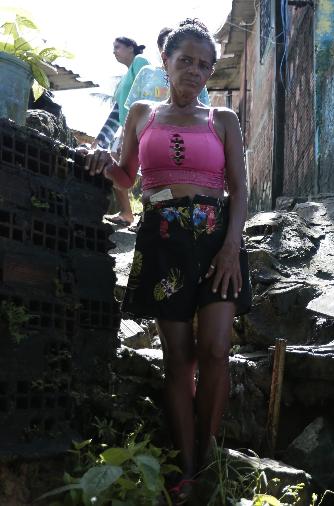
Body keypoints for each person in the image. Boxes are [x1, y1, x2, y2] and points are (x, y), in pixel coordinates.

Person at [81, 19, 251, 503]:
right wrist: (100, 161)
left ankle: (209, 451)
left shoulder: (223, 120)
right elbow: (126, 175)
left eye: (204, 65)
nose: (195, 71)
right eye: (185, 61)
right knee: (178, 358)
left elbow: (239, 189)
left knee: (216, 349)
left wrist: (232, 247)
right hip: (162, 237)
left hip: (217, 239)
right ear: (166, 63)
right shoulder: (142, 114)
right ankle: (187, 467)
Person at [96, 36, 150, 226]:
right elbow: (117, 112)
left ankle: (150, 217)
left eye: (117, 47)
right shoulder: (122, 82)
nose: (114, 51)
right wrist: (101, 140)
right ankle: (127, 213)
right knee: (113, 164)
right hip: (127, 131)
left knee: (151, 171)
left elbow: (150, 91)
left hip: (145, 126)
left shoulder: (140, 62)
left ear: (130, 48)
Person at [125, 27, 210, 112]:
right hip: (148, 124)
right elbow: (133, 110)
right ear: (159, 48)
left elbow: (205, 111)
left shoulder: (193, 76)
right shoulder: (146, 72)